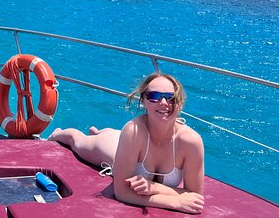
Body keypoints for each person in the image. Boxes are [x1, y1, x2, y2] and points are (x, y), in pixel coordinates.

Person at [48, 72, 204, 214]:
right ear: (144, 101)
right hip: (115, 149)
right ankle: (60, 133)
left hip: (130, 146)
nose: (163, 102)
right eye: (154, 96)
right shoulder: (133, 131)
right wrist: (174, 200)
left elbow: (195, 197)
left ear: (180, 103)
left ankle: (101, 131)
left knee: (113, 136)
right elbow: (122, 191)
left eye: (171, 97)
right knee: (79, 142)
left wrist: (155, 187)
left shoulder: (191, 141)